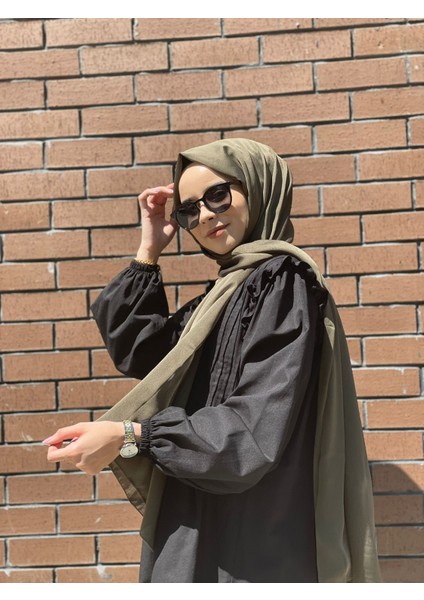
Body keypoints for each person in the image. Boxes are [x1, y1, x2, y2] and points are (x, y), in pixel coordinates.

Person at [44, 138, 381, 583]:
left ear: (258, 188)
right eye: (188, 209)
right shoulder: (228, 292)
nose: (203, 216)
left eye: (218, 195)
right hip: (207, 511)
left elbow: (254, 430)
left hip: (250, 536)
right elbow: (144, 352)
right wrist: (149, 250)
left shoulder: (282, 283)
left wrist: (131, 437)